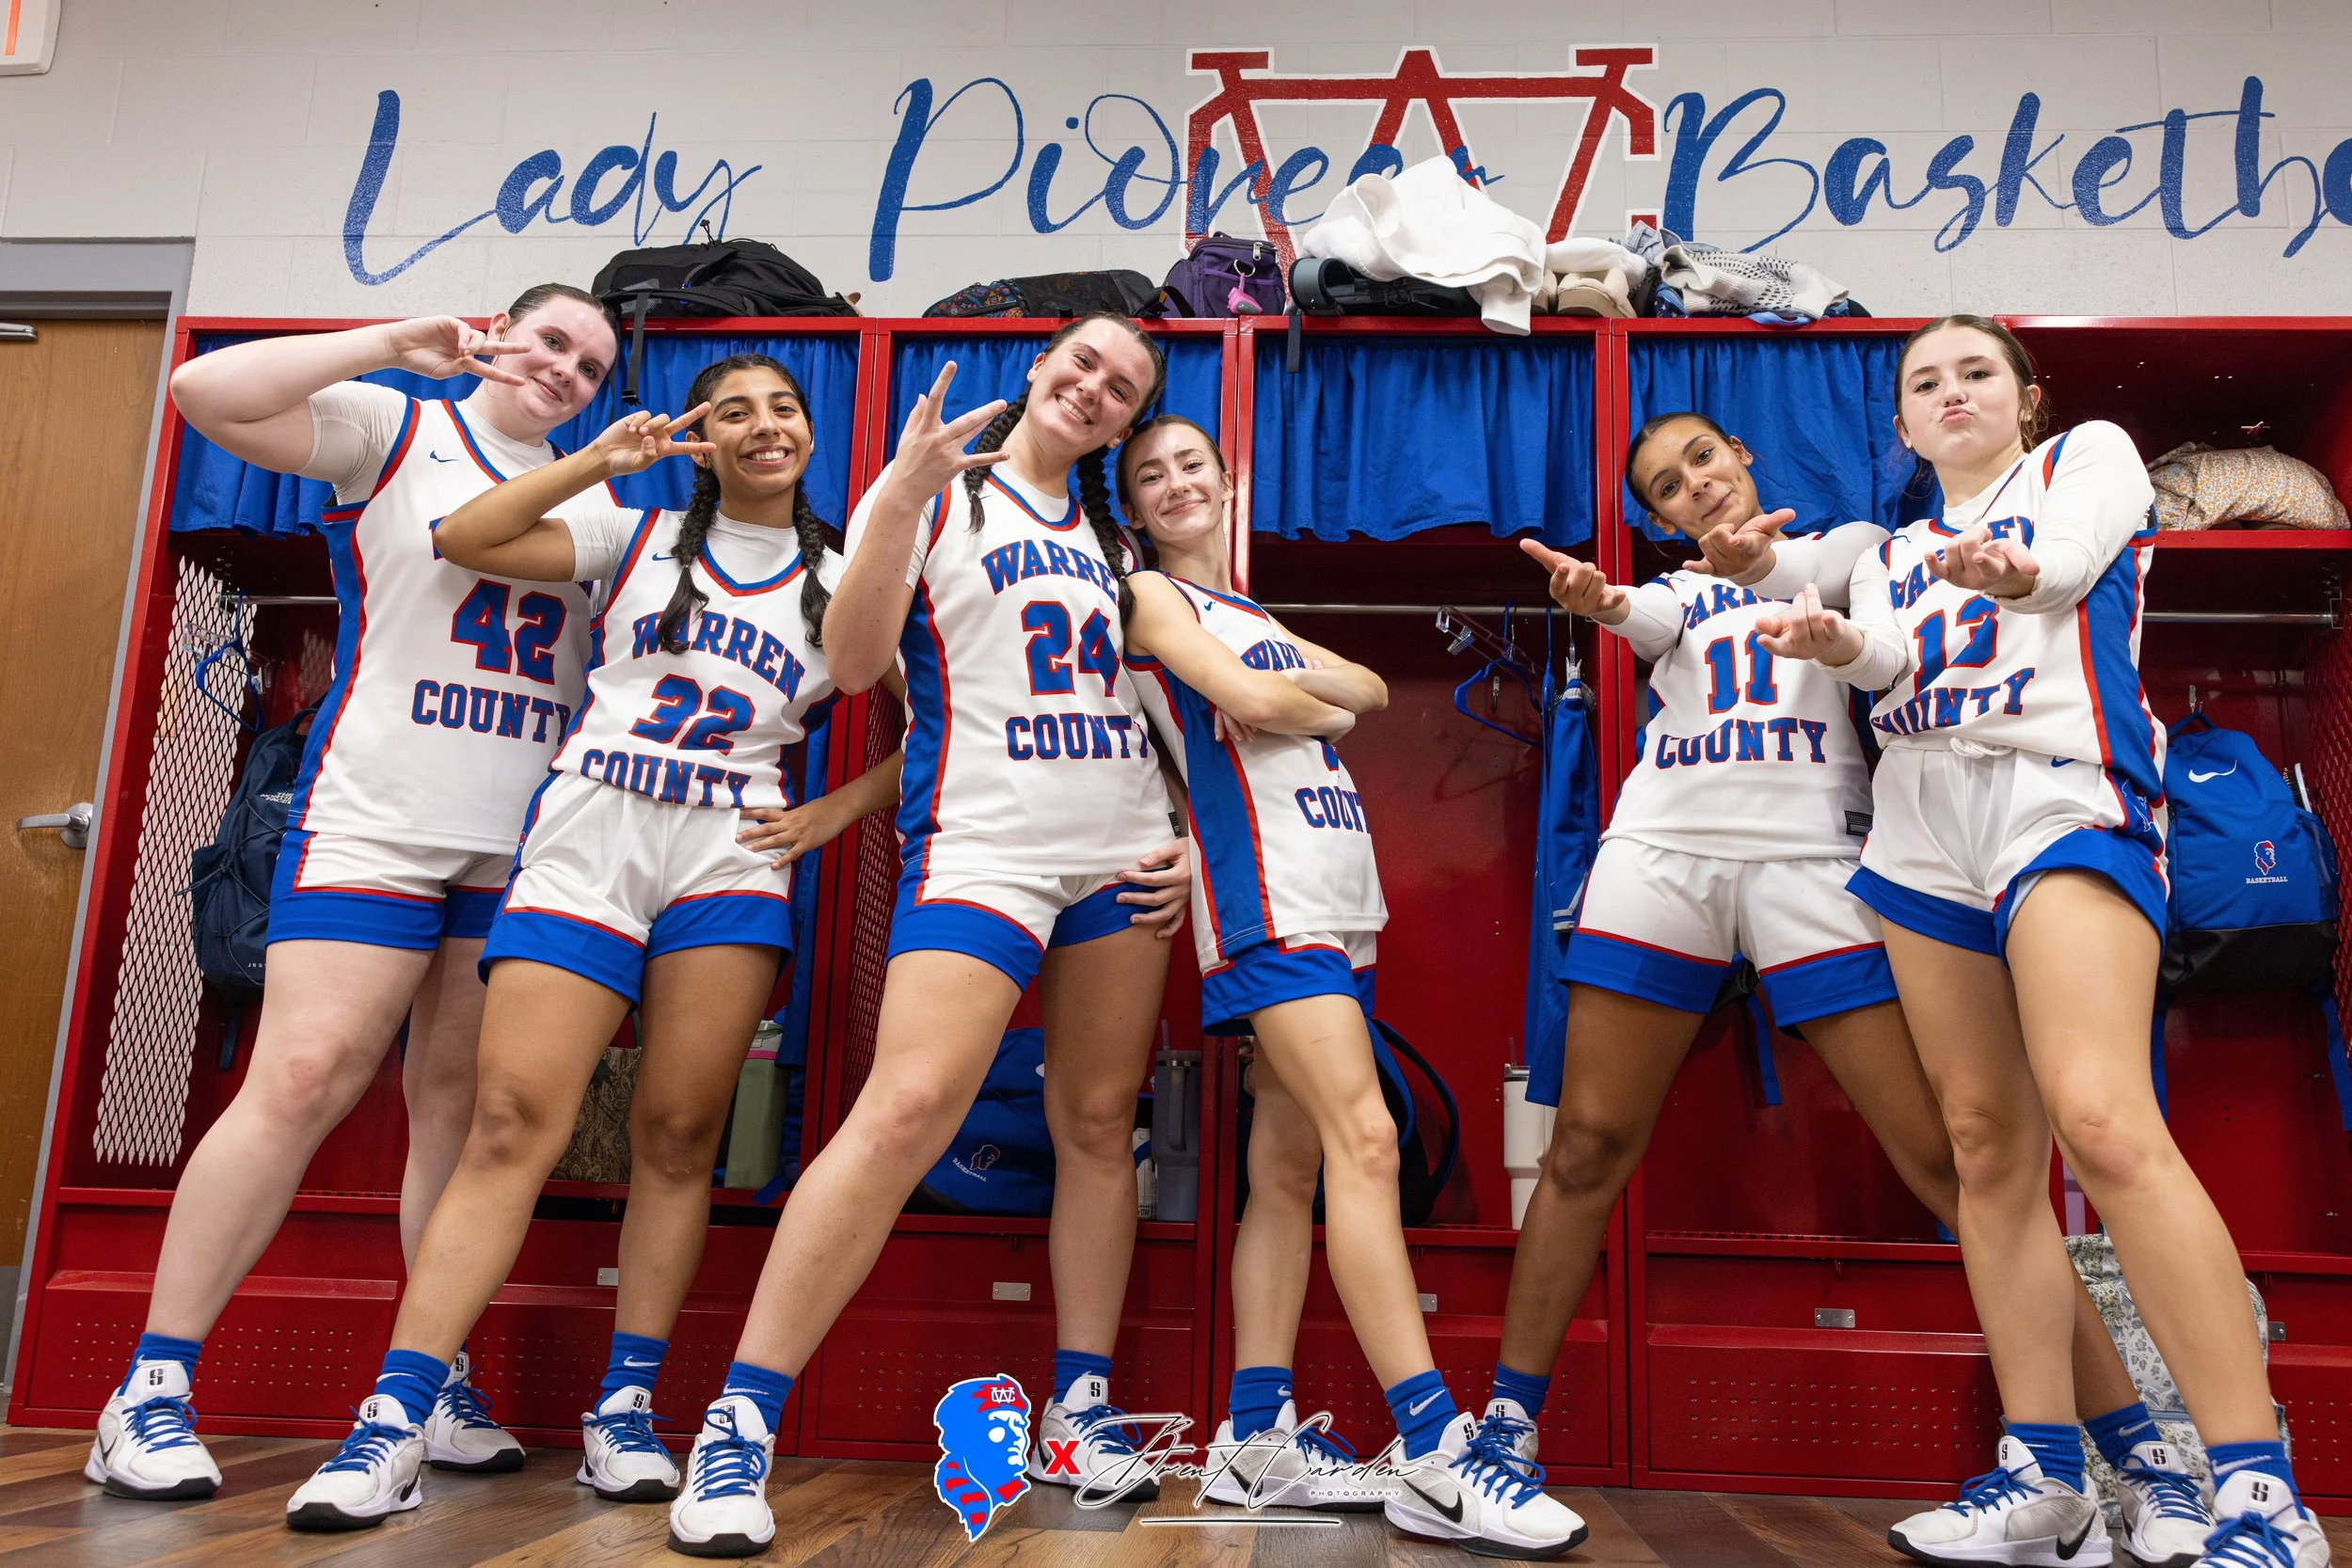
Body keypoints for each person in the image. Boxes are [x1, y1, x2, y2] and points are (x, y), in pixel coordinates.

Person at [1508, 406, 2211, 1568]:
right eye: (1666, 487)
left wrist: (1766, 560)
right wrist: (1603, 601)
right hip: (1666, 852)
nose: (1693, 487)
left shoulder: (1848, 550)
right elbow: (1648, 611)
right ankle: (1502, 1433)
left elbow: (1825, 587)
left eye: (1702, 459)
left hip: (1820, 865)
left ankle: (2136, 1458)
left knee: (1957, 1160)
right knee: (1581, 1142)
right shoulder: (1674, 592)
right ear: (1656, 517)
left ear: (1744, 453)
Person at [276, 355, 909, 1528]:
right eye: (733, 413)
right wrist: (597, 462)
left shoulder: (847, 573)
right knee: (511, 1121)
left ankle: (624, 1411)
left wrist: (833, 809)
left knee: (676, 1136)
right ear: (700, 438)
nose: (763, 426)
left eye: (783, 409)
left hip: (728, 853)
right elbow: (464, 534)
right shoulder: (638, 529)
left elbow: (936, 731)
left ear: (810, 436)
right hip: (590, 835)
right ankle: (393, 1418)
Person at [1756, 315, 2324, 1568]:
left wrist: (2016, 573)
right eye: (1925, 381)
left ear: (2025, 397)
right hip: (1920, 826)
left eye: (1975, 372)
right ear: (1900, 424)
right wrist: (1835, 644)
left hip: (2059, 794)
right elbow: (1893, 658)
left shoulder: (2086, 460)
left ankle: (2256, 1484)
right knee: (1984, 1148)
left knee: (2104, 1118)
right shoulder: (1892, 548)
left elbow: (2066, 566)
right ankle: (2049, 1475)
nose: (1950, 392)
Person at [663, 315, 1191, 1558]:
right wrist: (901, 487)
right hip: (986, 844)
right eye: (1082, 364)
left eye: (1121, 386)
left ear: (1125, 417)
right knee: (902, 1109)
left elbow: (1186, 705)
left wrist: (1194, 840)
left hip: (1124, 851)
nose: (1095, 388)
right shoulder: (938, 498)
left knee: (1098, 1126)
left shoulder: (1121, 541)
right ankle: (740, 1419)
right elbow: (853, 668)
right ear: (1043, 367)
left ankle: (1081, 1404)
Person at [89, 288, 628, 1500]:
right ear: (503, 332)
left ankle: (428, 1381)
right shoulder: (399, 427)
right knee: (299, 1076)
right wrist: (393, 341)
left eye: (591, 364)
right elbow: (203, 394)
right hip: (377, 816)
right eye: (551, 339)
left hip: (514, 838)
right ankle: (152, 1384)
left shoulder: (597, 497)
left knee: (460, 1109)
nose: (565, 370)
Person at [1119, 415, 1589, 1558]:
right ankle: (1435, 1449)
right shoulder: (1150, 598)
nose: (1177, 482)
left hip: (1337, 895)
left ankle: (1250, 1437)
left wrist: (1300, 688)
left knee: (1283, 1169)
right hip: (1267, 897)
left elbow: (1368, 685)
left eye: (1195, 464)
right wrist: (1297, 694)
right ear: (1131, 506)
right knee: (1364, 1142)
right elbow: (1279, 704)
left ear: (1229, 484)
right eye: (1150, 474)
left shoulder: (1248, 612)